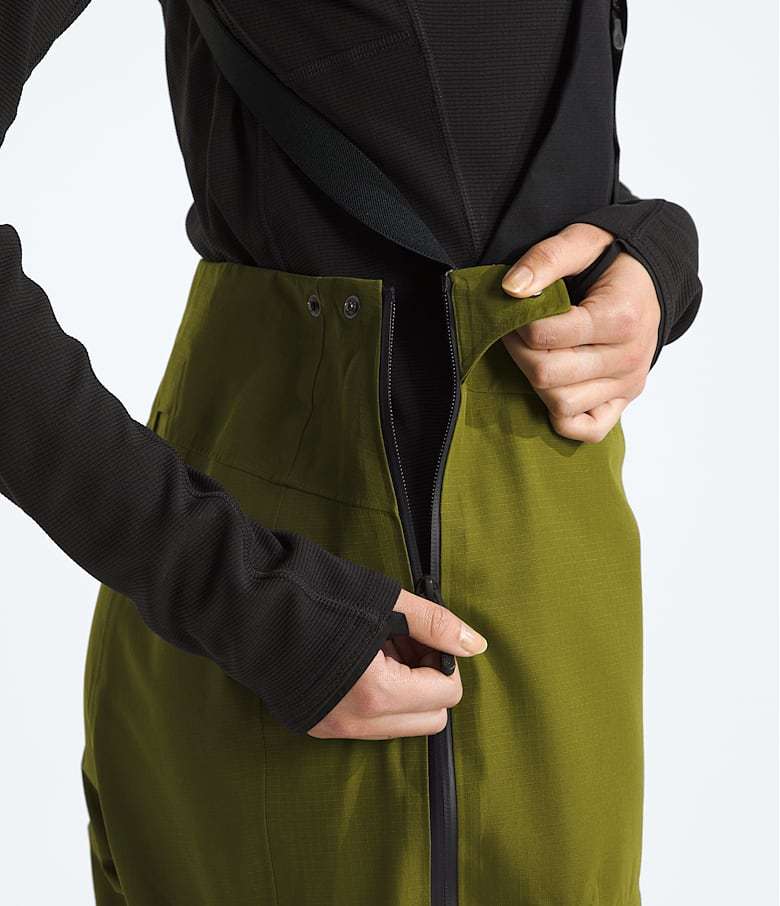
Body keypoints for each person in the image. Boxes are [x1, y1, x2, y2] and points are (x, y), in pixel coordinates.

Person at [0, 1, 701, 904]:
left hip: (564, 602)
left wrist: (653, 255)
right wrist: (239, 596)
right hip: (308, 630)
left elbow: (478, 140)